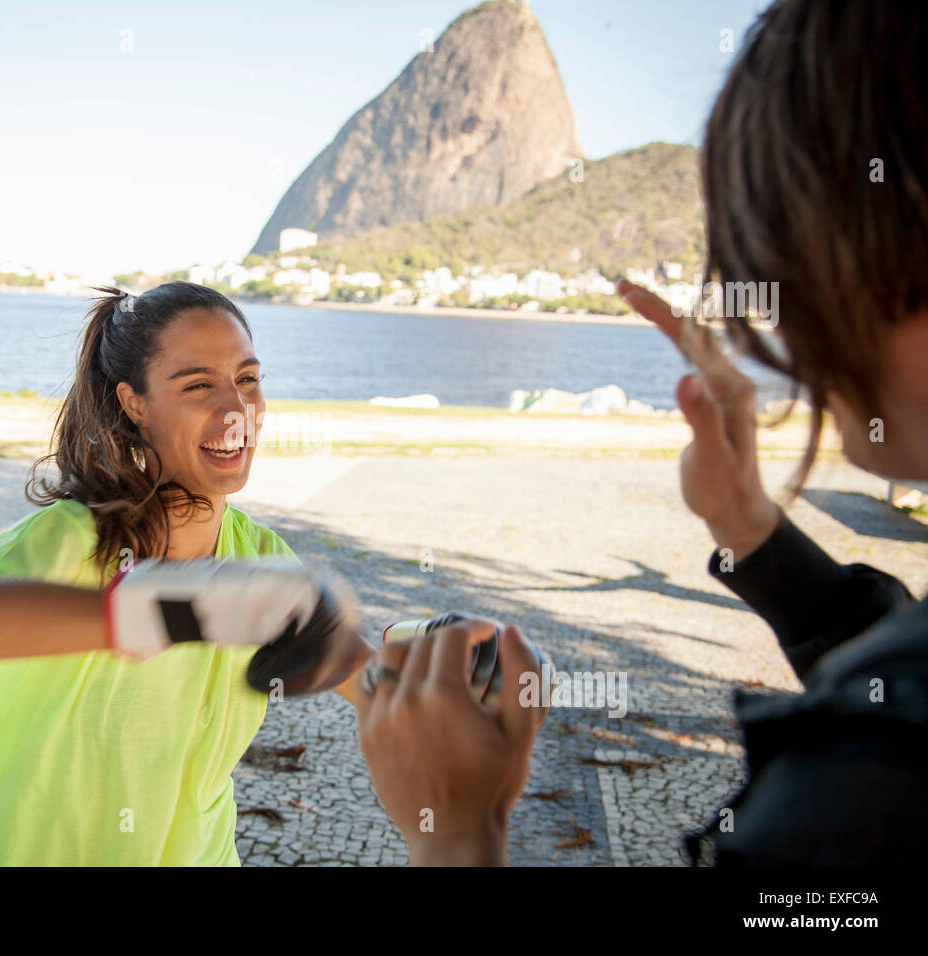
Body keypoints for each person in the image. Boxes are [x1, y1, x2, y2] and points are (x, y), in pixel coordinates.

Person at [352, 0, 928, 866]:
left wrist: (456, 831)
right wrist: (752, 532)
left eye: (794, 250)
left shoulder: (859, 796)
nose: (787, 321)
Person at [0, 281, 373, 866]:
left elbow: (372, 680)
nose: (235, 410)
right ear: (135, 403)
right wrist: (173, 608)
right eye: (198, 385)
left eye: (248, 379)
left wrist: (467, 672)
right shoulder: (79, 539)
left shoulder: (260, 553)